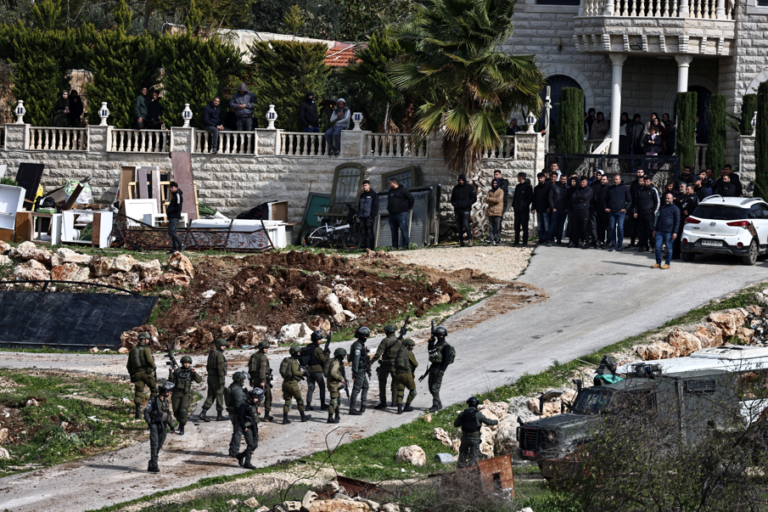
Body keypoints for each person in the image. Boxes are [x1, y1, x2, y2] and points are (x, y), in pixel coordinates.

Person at [454, 396, 498, 468]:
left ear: (468, 404)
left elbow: (456, 424)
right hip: (475, 439)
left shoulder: (462, 414)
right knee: (474, 457)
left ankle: (460, 472)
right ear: (476, 405)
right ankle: (472, 474)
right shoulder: (478, 414)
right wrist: (496, 421)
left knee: (462, 456)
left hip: (465, 438)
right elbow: (488, 421)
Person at [144, 381, 175, 473]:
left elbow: (168, 415)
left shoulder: (166, 401)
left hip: (163, 426)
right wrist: (149, 422)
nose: (168, 393)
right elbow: (146, 412)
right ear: (163, 391)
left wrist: (171, 426)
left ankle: (152, 461)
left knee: (159, 445)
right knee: (154, 444)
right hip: (154, 425)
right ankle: (154, 464)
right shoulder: (154, 400)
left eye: (169, 392)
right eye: (167, 391)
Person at [169, 355, 202, 436]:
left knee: (183, 410)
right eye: (185, 363)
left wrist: (194, 373)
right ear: (182, 363)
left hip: (186, 393)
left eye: (188, 363)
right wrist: (170, 372)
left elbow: (199, 380)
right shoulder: (177, 371)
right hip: (176, 393)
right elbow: (170, 381)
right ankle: (180, 422)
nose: (186, 364)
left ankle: (182, 426)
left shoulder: (191, 371)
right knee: (176, 412)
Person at [127, 332, 157, 419]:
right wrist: (153, 367)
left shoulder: (133, 350)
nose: (148, 341)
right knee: (154, 389)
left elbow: (129, 365)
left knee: (138, 392)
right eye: (147, 339)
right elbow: (150, 361)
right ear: (143, 339)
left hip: (137, 374)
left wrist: (132, 375)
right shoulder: (146, 349)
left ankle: (138, 412)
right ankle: (151, 409)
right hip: (146, 373)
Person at [370, 324, 400, 410]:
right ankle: (394, 401)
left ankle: (383, 402)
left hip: (385, 365)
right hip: (396, 365)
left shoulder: (385, 340)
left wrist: (371, 362)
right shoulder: (400, 340)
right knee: (395, 382)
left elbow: (378, 354)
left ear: (386, 331)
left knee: (382, 383)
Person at [199, 338, 228, 422]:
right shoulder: (219, 354)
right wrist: (221, 378)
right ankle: (219, 415)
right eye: (222, 346)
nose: (224, 347)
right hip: (217, 377)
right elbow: (220, 367)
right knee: (219, 395)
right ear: (218, 346)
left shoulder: (211, 353)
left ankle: (203, 412)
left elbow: (208, 366)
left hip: (211, 376)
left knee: (211, 395)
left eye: (225, 346)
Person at [281, 346, 310, 423]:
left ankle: (285, 419)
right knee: (299, 400)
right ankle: (303, 417)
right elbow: (295, 372)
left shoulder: (287, 360)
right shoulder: (294, 361)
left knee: (287, 400)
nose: (299, 353)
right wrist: (303, 373)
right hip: (293, 384)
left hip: (285, 383)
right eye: (298, 352)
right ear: (295, 353)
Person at [427, 326, 453, 413]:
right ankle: (439, 403)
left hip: (439, 368)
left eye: (441, 335)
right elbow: (431, 353)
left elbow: (446, 360)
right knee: (431, 388)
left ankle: (435, 405)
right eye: (437, 335)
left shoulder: (446, 346)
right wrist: (430, 343)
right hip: (433, 368)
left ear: (444, 336)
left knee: (435, 388)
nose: (439, 337)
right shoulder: (437, 345)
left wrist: (442, 371)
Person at [652, 192, 681, 269]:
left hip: (669, 232)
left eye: (668, 198)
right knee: (657, 247)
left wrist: (675, 232)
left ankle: (667, 263)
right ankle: (658, 262)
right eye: (666, 198)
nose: (667, 200)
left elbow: (677, 222)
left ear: (672, 199)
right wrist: (655, 229)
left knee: (669, 247)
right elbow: (658, 219)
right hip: (660, 231)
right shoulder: (663, 207)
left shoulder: (676, 209)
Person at [235, 388, 262, 470]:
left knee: (255, 445)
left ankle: (240, 456)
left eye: (257, 398)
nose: (257, 400)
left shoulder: (254, 405)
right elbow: (240, 417)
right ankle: (247, 463)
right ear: (250, 398)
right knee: (250, 445)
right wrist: (244, 427)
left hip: (254, 427)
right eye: (255, 398)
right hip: (247, 427)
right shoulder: (243, 405)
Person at [604, 173, 632, 252]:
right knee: (612, 228)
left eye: (616, 179)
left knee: (620, 228)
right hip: (612, 212)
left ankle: (620, 245)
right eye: (614, 179)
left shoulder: (624, 188)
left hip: (621, 212)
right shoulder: (610, 188)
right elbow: (605, 199)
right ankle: (613, 245)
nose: (615, 181)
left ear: (620, 180)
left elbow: (629, 200)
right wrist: (606, 208)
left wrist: (625, 208)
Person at [248, 341, 274, 422]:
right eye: (265, 348)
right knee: (268, 397)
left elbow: (250, 369)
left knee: (256, 396)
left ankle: (253, 413)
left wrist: (251, 379)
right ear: (261, 348)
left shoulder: (253, 356)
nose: (267, 350)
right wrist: (263, 381)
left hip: (255, 379)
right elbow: (262, 369)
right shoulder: (262, 357)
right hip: (262, 379)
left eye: (267, 348)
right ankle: (266, 416)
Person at [349, 326, 371, 416]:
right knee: (356, 389)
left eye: (366, 336)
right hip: (359, 370)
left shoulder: (361, 345)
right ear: (360, 335)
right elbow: (356, 360)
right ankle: (352, 408)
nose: (365, 338)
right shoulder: (358, 346)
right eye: (364, 336)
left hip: (363, 370)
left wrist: (368, 371)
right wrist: (355, 372)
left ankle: (363, 406)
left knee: (365, 386)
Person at [387, 178, 414, 250]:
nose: (389, 185)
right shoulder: (390, 191)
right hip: (392, 214)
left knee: (403, 230)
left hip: (401, 214)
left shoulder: (403, 190)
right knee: (393, 231)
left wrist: (409, 207)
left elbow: (411, 198)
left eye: (390, 183)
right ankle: (394, 246)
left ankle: (405, 245)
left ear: (394, 183)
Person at [634, 176, 660, 252]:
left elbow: (657, 202)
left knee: (651, 230)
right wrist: (635, 211)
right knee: (642, 230)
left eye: (647, 181)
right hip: (641, 213)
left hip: (650, 213)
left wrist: (654, 212)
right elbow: (636, 202)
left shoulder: (653, 190)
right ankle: (644, 246)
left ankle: (653, 246)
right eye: (645, 181)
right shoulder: (640, 190)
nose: (646, 183)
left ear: (650, 181)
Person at [451, 174, 477, 247]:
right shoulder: (455, 188)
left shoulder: (469, 187)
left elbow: (474, 198)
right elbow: (452, 199)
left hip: (466, 209)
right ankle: (461, 241)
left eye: (462, 180)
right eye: (460, 180)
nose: (461, 181)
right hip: (457, 210)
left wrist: (468, 204)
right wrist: (454, 204)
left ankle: (470, 240)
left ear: (464, 180)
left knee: (466, 224)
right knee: (459, 226)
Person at [226, 372, 248, 458]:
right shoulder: (237, 390)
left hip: (233, 413)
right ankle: (234, 451)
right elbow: (239, 404)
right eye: (242, 379)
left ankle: (232, 450)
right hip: (237, 413)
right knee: (238, 432)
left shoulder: (232, 387)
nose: (243, 381)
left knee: (236, 432)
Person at [305, 330, 328, 411]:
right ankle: (323, 404)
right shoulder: (317, 349)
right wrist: (327, 353)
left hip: (308, 370)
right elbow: (324, 360)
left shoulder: (308, 347)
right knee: (322, 386)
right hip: (317, 370)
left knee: (311, 387)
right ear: (316, 340)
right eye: (319, 339)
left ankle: (308, 405)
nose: (320, 341)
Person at [393, 338, 418, 414]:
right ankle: (407, 406)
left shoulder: (399, 352)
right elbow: (416, 364)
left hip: (397, 374)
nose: (412, 347)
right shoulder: (409, 352)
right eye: (411, 346)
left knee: (400, 390)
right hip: (406, 374)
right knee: (413, 391)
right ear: (407, 345)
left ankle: (399, 409)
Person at [324, 348, 347, 424]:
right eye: (342, 355)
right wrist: (341, 379)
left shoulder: (333, 360)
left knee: (338, 399)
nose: (343, 357)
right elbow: (333, 373)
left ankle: (337, 415)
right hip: (333, 383)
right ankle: (330, 418)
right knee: (333, 401)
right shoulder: (336, 363)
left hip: (334, 383)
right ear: (339, 355)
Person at [570, 176, 593, 249]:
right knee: (575, 227)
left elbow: (585, 197)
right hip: (576, 210)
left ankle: (585, 241)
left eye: (583, 182)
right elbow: (573, 198)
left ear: (586, 182)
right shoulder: (577, 189)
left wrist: (578, 197)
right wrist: (579, 199)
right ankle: (575, 242)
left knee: (584, 227)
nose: (582, 183)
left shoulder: (589, 189)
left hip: (584, 210)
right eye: (581, 182)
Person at [512, 172, 533, 246]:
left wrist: (524, 205)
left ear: (520, 177)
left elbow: (530, 198)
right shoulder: (518, 186)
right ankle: (516, 241)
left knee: (525, 227)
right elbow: (515, 197)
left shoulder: (528, 187)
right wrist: (514, 206)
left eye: (518, 177)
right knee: (516, 227)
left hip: (524, 210)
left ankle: (524, 242)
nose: (517, 178)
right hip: (517, 210)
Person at [357, 180, 379, 251]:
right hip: (362, 216)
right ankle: (366, 248)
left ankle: (372, 248)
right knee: (364, 232)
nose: (364, 187)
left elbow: (375, 206)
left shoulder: (373, 194)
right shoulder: (362, 195)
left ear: (369, 185)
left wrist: (372, 215)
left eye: (365, 185)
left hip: (369, 217)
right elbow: (359, 205)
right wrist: (359, 214)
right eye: (363, 186)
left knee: (370, 232)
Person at [547, 173, 567, 246]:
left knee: (561, 225)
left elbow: (568, 199)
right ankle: (549, 240)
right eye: (562, 179)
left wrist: (567, 208)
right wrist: (553, 207)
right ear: (559, 178)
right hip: (555, 209)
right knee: (553, 225)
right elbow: (550, 197)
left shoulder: (567, 188)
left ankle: (559, 240)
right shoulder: (554, 186)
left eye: (564, 179)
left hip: (563, 210)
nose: (563, 180)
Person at [531, 172, 551, 245]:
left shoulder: (548, 186)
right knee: (540, 226)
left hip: (546, 209)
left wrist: (549, 207)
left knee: (546, 225)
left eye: (541, 178)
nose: (540, 179)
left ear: (544, 178)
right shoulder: (536, 188)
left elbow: (550, 198)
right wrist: (533, 208)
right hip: (539, 209)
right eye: (539, 178)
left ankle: (547, 239)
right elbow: (534, 199)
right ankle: (541, 239)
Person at [166, 181, 184, 254]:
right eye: (170, 187)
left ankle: (181, 244)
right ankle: (174, 249)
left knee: (170, 231)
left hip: (174, 216)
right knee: (173, 232)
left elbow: (178, 207)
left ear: (176, 188)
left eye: (172, 187)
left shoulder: (178, 195)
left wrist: (170, 211)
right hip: (172, 216)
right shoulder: (174, 195)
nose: (171, 189)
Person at [486, 179, 505, 245]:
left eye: (496, 183)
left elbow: (498, 200)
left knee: (497, 228)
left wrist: (491, 200)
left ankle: (497, 240)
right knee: (491, 228)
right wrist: (494, 200)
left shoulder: (501, 191)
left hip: (498, 212)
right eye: (493, 183)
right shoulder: (490, 191)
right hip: (490, 212)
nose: (494, 184)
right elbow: (486, 200)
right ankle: (491, 240)